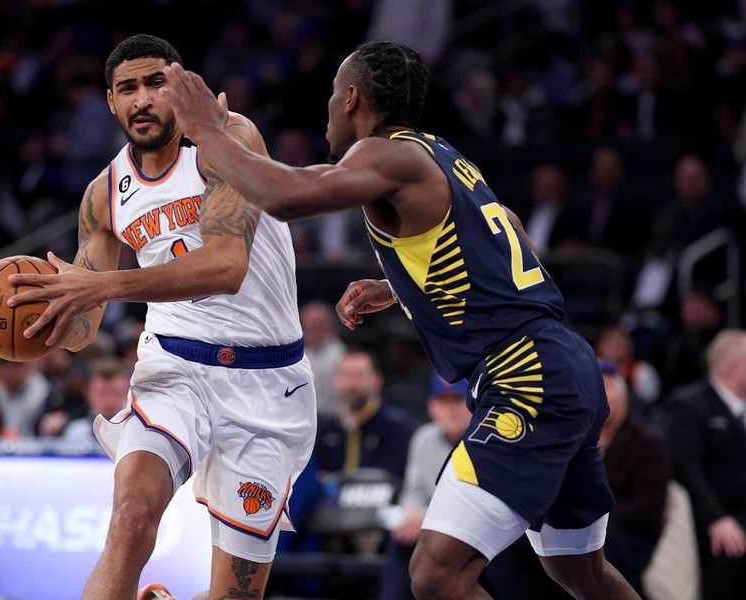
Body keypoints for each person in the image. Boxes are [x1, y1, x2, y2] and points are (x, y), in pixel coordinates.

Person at [154, 40, 637, 599]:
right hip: (563, 364)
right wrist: (409, 287)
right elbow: (510, 232)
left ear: (353, 97)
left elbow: (288, 194)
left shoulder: (385, 154)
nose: (329, 109)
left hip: (526, 375)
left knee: (434, 573)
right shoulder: (443, 154)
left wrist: (207, 130)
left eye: (333, 95)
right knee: (582, 573)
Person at [0, 34, 316, 600]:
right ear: (110, 102)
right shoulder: (102, 196)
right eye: (127, 89)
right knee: (130, 521)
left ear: (182, 86)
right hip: (173, 369)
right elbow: (82, 329)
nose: (142, 99)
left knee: (236, 595)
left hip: (268, 383)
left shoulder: (227, 139)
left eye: (155, 83)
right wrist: (32, 309)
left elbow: (225, 265)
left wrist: (99, 286)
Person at [664, 329, 746, 600]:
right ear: (736, 366)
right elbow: (686, 470)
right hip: (708, 519)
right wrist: (716, 519)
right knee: (728, 550)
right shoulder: (688, 405)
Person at [379, 374, 471, 600]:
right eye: (443, 401)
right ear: (432, 407)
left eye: (458, 401)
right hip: (431, 528)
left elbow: (476, 502)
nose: (451, 409)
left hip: (474, 529)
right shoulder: (424, 438)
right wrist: (412, 514)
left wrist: (428, 519)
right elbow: (414, 492)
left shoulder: (484, 440)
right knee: (401, 537)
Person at [598, 360, 669, 594]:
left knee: (592, 544)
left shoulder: (647, 443)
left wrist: (595, 516)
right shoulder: (576, 440)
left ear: (624, 396)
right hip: (585, 527)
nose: (599, 396)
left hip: (630, 536)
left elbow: (648, 508)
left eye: (606, 388)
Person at [314, 350, 414, 478]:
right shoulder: (323, 426)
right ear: (335, 381)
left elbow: (395, 477)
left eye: (359, 375)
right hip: (331, 498)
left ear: (377, 380)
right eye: (345, 375)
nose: (352, 384)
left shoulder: (397, 426)